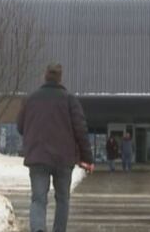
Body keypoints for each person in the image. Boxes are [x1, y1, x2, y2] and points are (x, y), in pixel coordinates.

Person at [16, 63, 94, 232]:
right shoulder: (69, 100)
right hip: (63, 159)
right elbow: (81, 130)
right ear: (60, 78)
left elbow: (20, 127)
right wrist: (88, 158)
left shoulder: (31, 99)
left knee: (38, 199)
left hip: (38, 157)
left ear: (44, 76)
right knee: (63, 199)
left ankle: (38, 229)